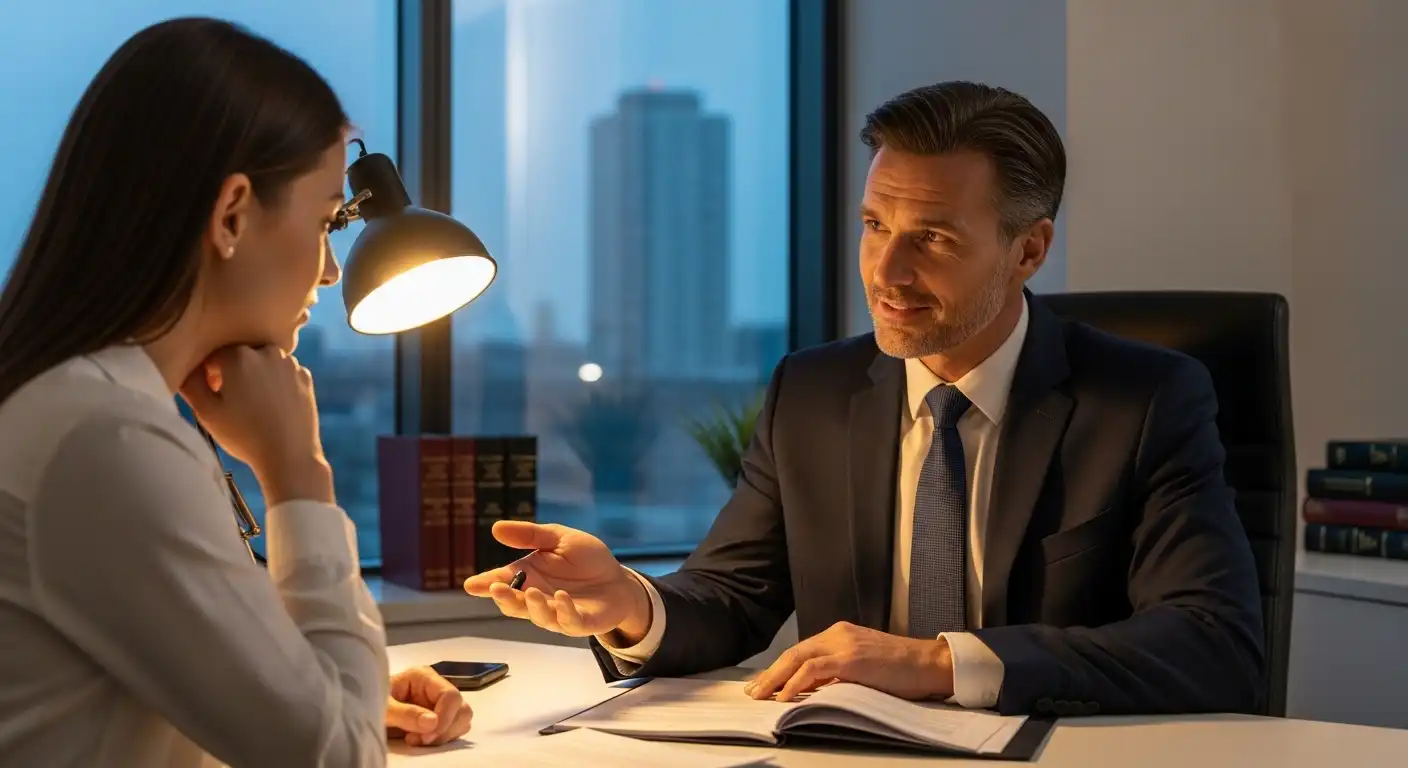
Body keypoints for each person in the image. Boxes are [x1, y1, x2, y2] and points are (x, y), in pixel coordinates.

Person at [466, 81, 1266, 717]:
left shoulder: (1144, 400)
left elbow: (1212, 645)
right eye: (874, 226)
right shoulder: (812, 392)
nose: (886, 272)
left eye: (934, 239)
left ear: (1028, 249)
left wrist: (936, 664)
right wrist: (629, 604)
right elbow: (734, 597)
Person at [0, 18, 469, 766]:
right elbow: (338, 758)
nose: (327, 272)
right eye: (323, 221)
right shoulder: (103, 439)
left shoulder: (87, 406)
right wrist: (297, 473)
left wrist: (331, 688)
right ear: (232, 215)